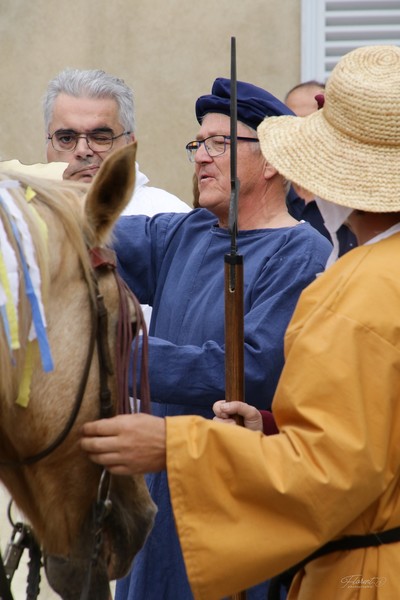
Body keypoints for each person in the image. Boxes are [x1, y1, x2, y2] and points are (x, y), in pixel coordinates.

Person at [81, 45, 400, 600]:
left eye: (220, 144)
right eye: (197, 144)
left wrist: (125, 375)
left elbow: (325, 458)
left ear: (274, 161)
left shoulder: (336, 273)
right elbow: (86, 239)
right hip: (191, 488)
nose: (202, 157)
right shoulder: (188, 233)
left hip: (271, 529)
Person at [43, 68, 190, 326]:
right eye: (66, 138)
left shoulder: (171, 219)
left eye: (100, 137)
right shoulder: (21, 219)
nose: (82, 150)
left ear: (129, 144)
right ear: (48, 144)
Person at [284, 80, 357, 259]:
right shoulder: (269, 195)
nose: (301, 132)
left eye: (311, 123)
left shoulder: (355, 201)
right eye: (292, 123)